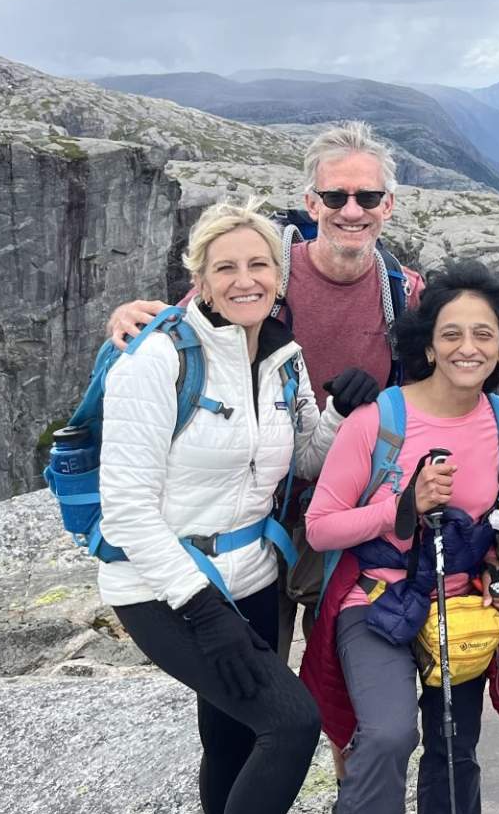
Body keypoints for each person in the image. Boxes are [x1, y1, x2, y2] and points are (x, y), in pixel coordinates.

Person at [97, 203, 350, 814]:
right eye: (226, 267)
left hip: (255, 573)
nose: (246, 279)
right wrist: (204, 609)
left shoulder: (283, 359)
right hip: (161, 585)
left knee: (232, 727)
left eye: (259, 264)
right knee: (291, 722)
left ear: (279, 275)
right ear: (200, 280)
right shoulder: (157, 359)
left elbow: (300, 461)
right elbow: (126, 509)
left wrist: (340, 415)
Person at [106, 120, 423, 657]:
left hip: (346, 515)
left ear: (387, 206)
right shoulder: (262, 277)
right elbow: (186, 329)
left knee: (336, 674)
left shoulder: (404, 294)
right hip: (254, 514)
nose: (352, 210)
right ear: (311, 202)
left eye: (367, 196)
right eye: (335, 196)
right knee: (257, 668)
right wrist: (127, 316)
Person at [301, 260, 499, 814]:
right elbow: (320, 527)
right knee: (387, 735)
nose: (469, 348)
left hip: (458, 606)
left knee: (456, 745)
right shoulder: (379, 420)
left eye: (484, 335)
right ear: (428, 345)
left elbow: (496, 520)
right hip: (375, 601)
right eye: (451, 334)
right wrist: (401, 506)